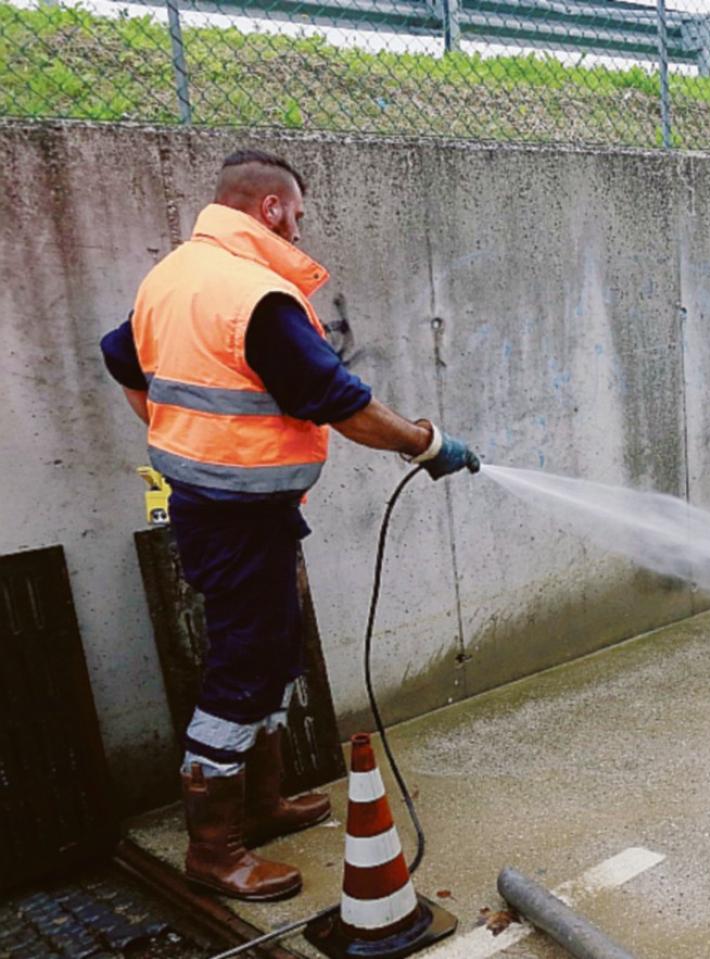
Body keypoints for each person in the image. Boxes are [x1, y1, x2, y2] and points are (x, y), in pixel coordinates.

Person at [100, 149, 479, 902]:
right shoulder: (255, 296)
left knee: (268, 650)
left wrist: (166, 426)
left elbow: (121, 355)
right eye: (298, 214)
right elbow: (341, 401)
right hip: (235, 517)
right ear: (271, 208)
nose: (301, 227)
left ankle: (263, 803)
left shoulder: (174, 275)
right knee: (244, 666)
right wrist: (426, 442)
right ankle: (214, 849)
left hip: (226, 507)